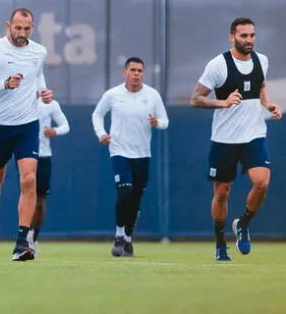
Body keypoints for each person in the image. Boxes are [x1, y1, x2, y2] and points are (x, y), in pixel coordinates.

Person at [190, 17, 281, 261]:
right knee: (222, 193)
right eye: (243, 36)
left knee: (262, 182)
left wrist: (268, 103)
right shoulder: (218, 65)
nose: (249, 40)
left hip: (254, 134)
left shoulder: (262, 60)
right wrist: (223, 102)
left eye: (252, 35)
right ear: (232, 37)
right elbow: (195, 99)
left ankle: (243, 224)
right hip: (224, 138)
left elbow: (260, 87)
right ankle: (220, 243)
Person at [0, 7, 53, 261]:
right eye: (18, 28)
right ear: (8, 25)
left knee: (29, 180)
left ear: (32, 28)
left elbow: (37, 78)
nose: (22, 33)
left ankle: (21, 242)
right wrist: (3, 84)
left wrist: (44, 92)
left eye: (27, 29)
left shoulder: (39, 51)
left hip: (28, 125)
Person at [92, 57, 168, 257]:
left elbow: (165, 120)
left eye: (140, 71)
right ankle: (118, 235)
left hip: (143, 154)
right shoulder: (113, 94)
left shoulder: (152, 95)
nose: (136, 74)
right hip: (119, 152)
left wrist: (156, 123)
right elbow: (97, 114)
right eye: (132, 70)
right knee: (124, 193)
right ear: (125, 72)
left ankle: (128, 238)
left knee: (135, 200)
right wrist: (101, 134)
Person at [26, 96, 70, 255]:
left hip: (43, 156)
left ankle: (33, 236)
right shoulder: (20, 100)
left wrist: (54, 131)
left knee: (39, 201)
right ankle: (23, 236)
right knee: (27, 196)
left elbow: (66, 126)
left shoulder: (50, 104)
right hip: (24, 156)